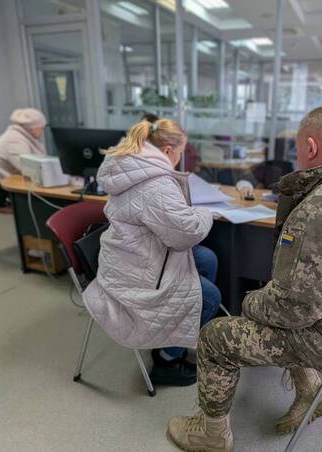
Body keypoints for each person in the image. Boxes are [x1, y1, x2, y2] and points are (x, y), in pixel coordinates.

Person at [166, 106, 322, 451]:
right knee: (279, 303)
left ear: (310, 147)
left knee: (215, 337)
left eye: (298, 149)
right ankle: (314, 394)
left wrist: (251, 302)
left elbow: (297, 309)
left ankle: (211, 434)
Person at [82, 118, 221, 387]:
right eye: (181, 152)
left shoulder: (132, 167)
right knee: (211, 297)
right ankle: (167, 360)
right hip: (135, 272)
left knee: (207, 258)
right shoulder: (154, 183)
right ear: (168, 150)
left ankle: (175, 333)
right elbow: (185, 235)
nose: (182, 158)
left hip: (129, 256)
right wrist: (205, 213)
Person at [0, 108, 48, 180]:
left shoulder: (19, 136)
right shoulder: (14, 142)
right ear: (32, 128)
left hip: (19, 185)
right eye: (41, 128)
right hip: (11, 189)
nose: (42, 131)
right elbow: (32, 171)